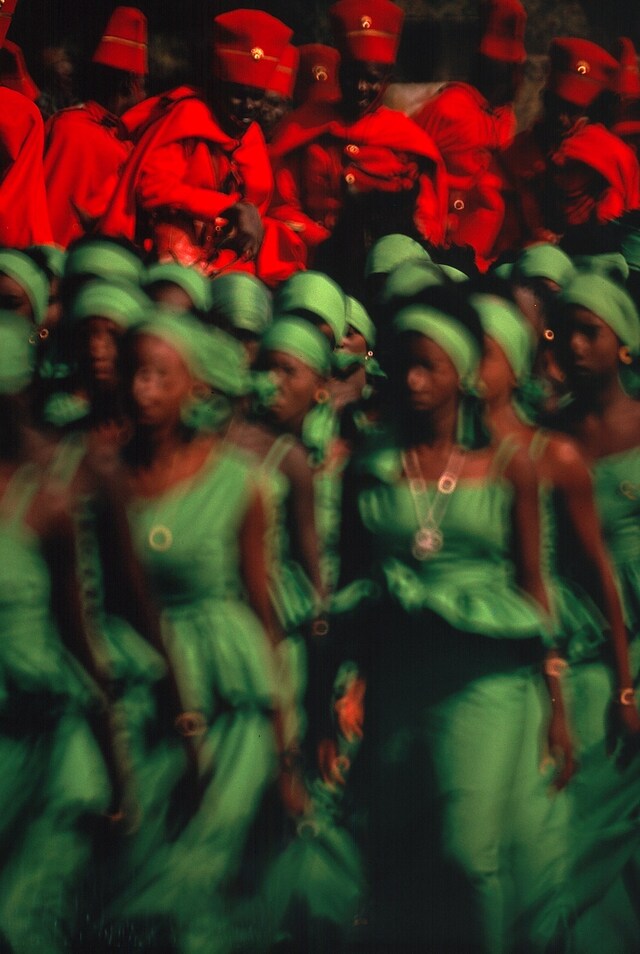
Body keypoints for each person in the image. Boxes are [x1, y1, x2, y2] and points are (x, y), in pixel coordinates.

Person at [337, 285, 571, 951]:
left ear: (462, 373)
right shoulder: (371, 469)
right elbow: (352, 589)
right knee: (402, 852)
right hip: (399, 680)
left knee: (470, 853)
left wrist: (556, 701)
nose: (412, 380)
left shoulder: (509, 467)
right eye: (404, 364)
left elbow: (535, 585)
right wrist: (340, 686)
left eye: (429, 367)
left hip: (485, 681)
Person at [118, 311, 305, 952]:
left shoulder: (241, 483)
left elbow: (263, 607)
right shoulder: (105, 482)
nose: (144, 390)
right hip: (145, 684)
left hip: (228, 691)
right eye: (135, 373)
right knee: (143, 854)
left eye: (160, 376)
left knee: (202, 868)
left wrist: (286, 740)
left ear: (193, 385)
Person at [550, 273, 640, 953]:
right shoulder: (553, 440)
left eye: (592, 333)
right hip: (595, 640)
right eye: (564, 333)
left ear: (625, 344)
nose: (576, 346)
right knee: (592, 821)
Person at [100, 9, 302, 285]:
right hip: (170, 251)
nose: (248, 107)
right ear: (217, 87)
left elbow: (256, 203)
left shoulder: (251, 133)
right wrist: (227, 207)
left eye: (256, 98)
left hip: (227, 258)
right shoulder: (188, 116)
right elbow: (152, 187)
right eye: (237, 95)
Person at [268, 0, 447, 294]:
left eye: (372, 79)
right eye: (353, 75)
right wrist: (324, 241)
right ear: (339, 73)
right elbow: (280, 204)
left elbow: (426, 219)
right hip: (312, 260)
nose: (361, 87)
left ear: (387, 81)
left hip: (390, 265)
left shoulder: (409, 140)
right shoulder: (303, 127)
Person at [414, 0, 526, 271]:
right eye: (507, 71)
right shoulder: (447, 107)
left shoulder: (505, 115)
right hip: (446, 244)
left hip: (492, 249)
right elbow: (411, 162)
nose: (515, 80)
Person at [500, 38, 640, 252]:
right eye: (555, 105)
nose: (562, 118)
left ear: (586, 110)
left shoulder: (610, 153)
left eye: (572, 109)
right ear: (544, 98)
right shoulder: (517, 150)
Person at [44, 7, 148, 248]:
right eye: (144, 86)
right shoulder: (120, 147)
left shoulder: (63, 122)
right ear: (129, 85)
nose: (145, 96)